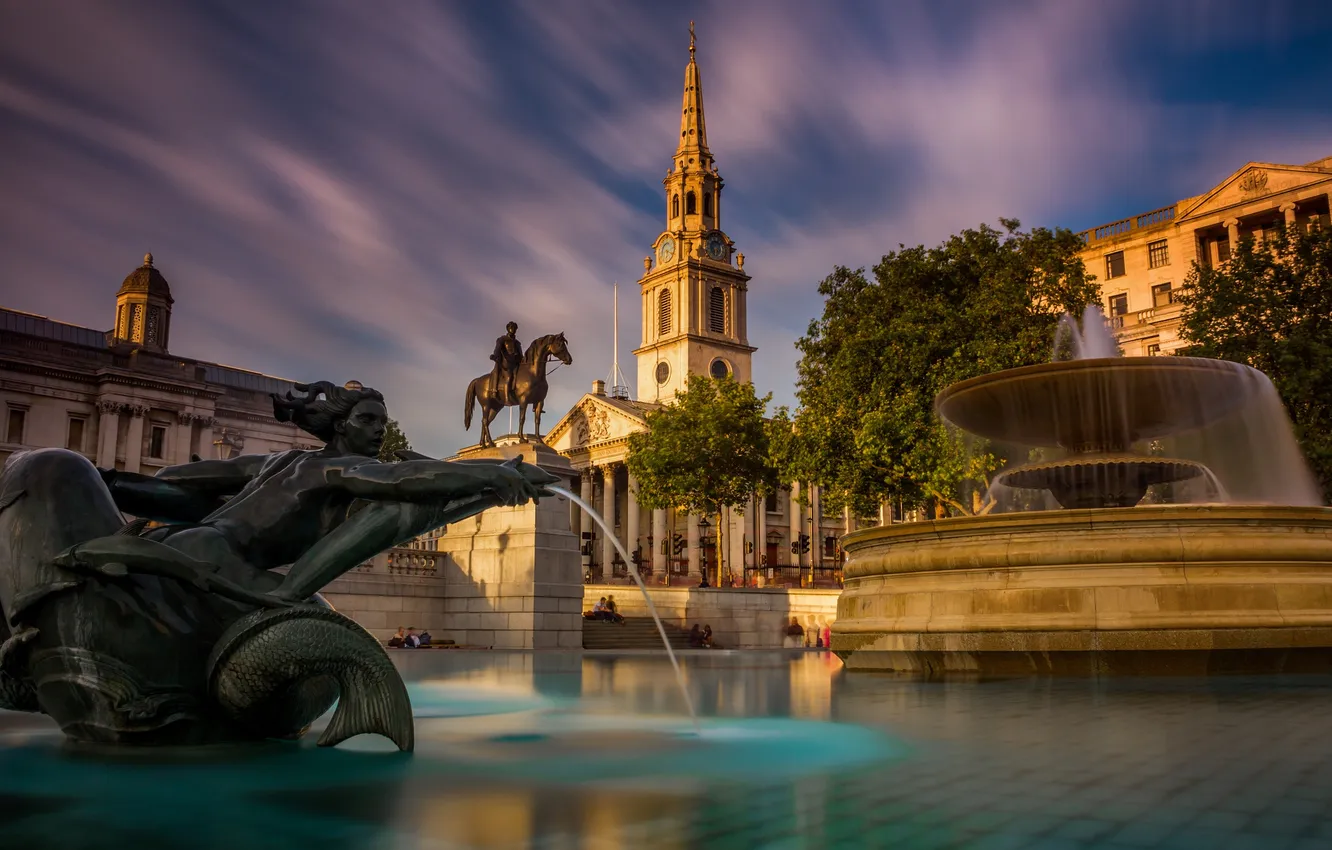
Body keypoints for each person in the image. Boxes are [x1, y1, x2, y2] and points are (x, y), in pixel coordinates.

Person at [54, 380, 556, 611]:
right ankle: (288, 595)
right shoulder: (342, 468)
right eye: (368, 421)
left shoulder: (279, 463)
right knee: (389, 518)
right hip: (219, 563)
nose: (380, 432)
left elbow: (181, 479)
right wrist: (491, 472)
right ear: (340, 424)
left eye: (383, 423)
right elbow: (408, 486)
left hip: (189, 542)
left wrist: (108, 482)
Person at [489, 321, 523, 405]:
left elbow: (520, 355)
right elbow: (497, 350)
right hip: (505, 364)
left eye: (514, 328)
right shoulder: (502, 339)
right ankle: (507, 399)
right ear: (508, 329)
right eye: (511, 327)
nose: (513, 329)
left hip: (515, 364)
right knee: (509, 377)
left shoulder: (517, 343)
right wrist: (495, 356)